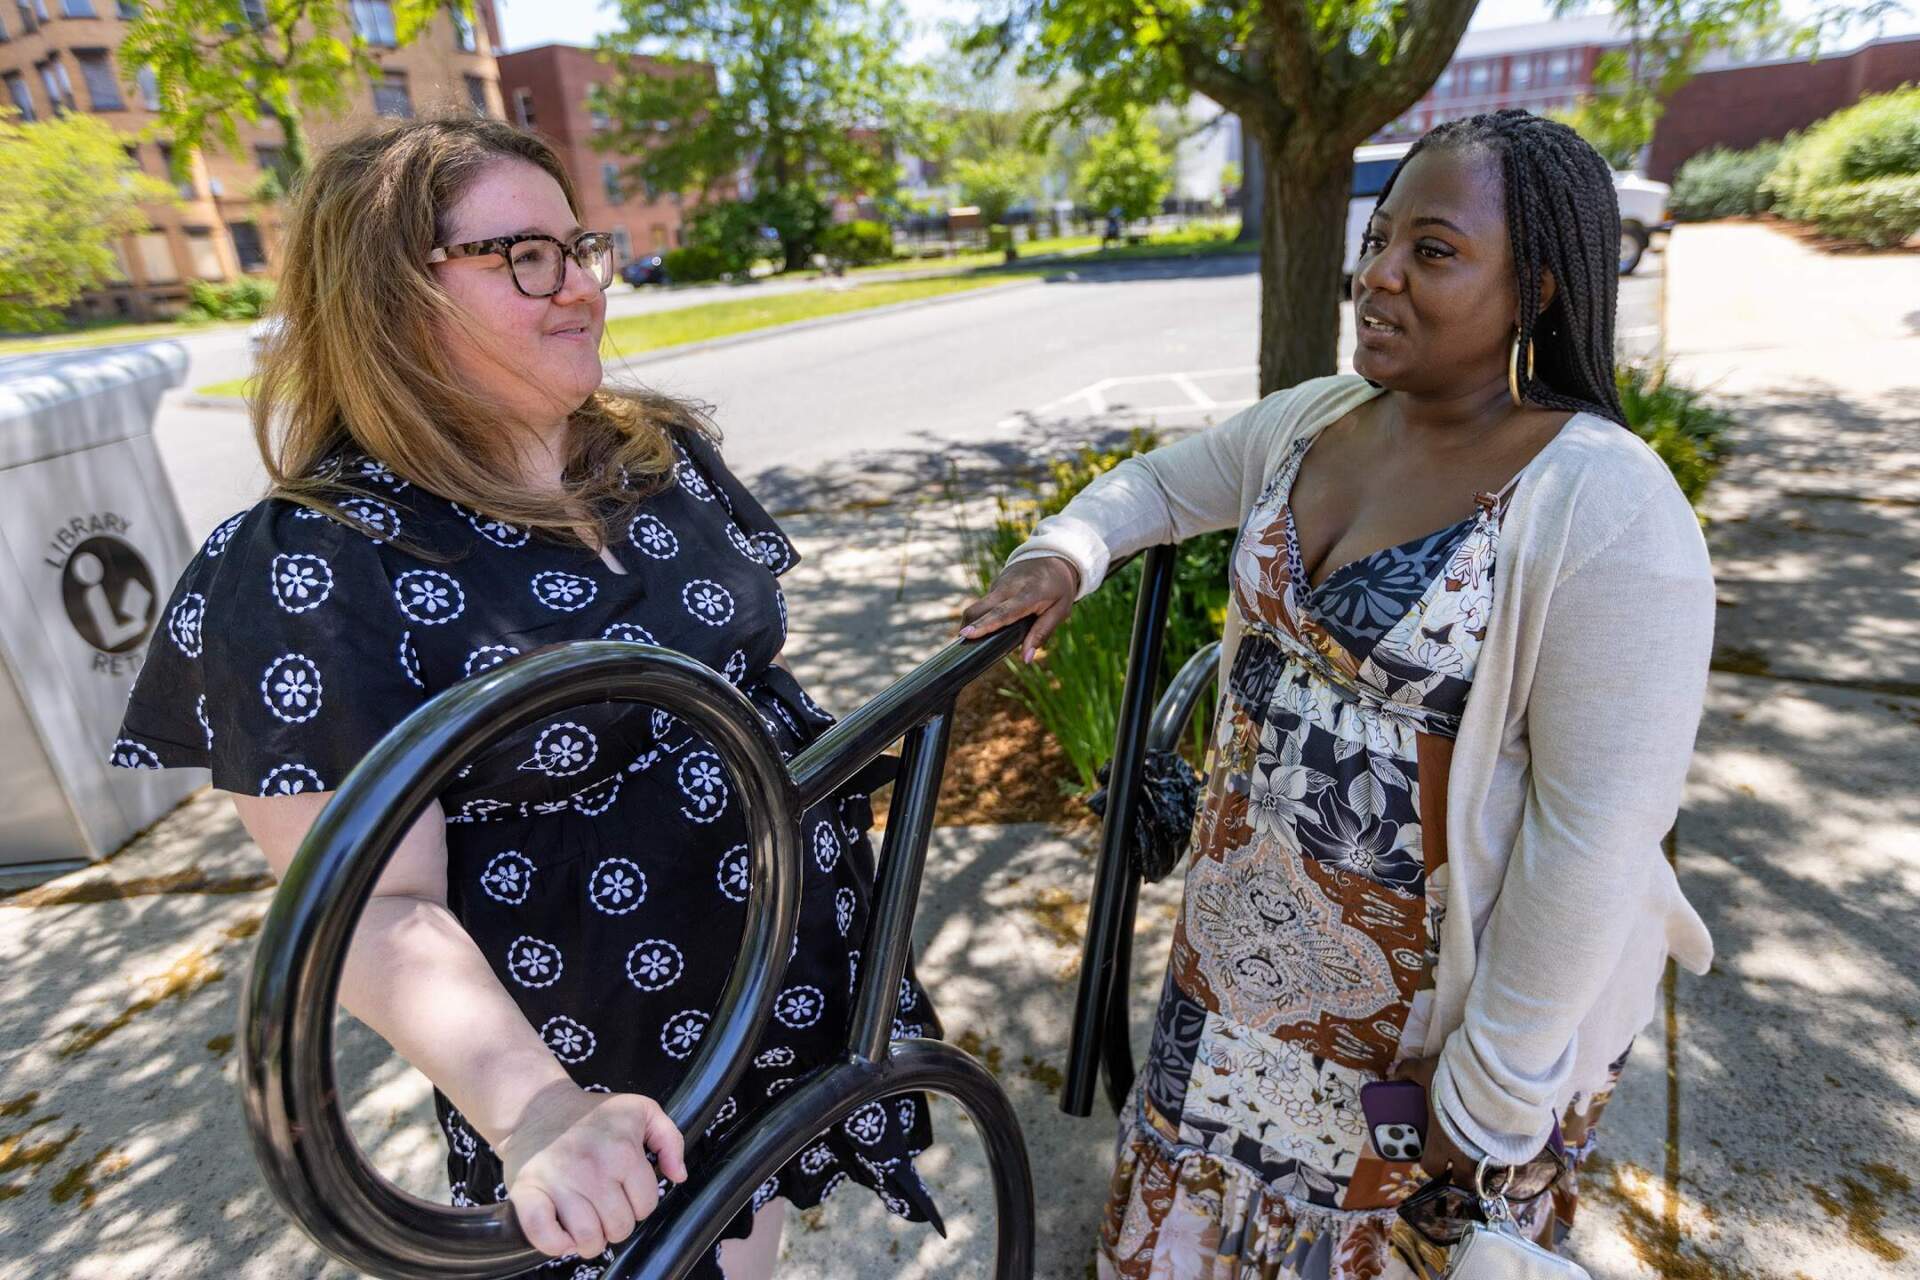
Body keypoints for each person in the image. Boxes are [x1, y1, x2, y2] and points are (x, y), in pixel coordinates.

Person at [108, 116, 942, 1279]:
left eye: (579, 246)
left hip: (773, 978)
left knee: (752, 1236)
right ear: (392, 297)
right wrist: (535, 1112)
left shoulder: (654, 455)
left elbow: (751, 681)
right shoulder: (315, 561)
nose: (584, 289)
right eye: (525, 257)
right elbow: (370, 906)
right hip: (599, 1064)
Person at [961, 110, 1714, 1277]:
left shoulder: (1608, 504)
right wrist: (1066, 548)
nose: (1379, 274)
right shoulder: (1316, 420)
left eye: (1436, 250)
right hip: (1232, 974)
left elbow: (1597, 833)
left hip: (1424, 1038)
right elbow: (1161, 483)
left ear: (1542, 289)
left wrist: (1490, 1090)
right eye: (1379, 240)